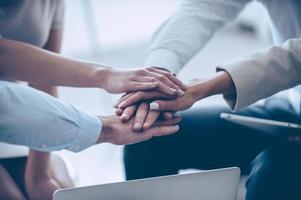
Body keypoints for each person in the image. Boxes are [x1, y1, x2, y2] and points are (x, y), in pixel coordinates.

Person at [0, 0, 184, 199]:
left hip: (17, 109)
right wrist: (105, 79)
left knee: (62, 189)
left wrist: (39, 174)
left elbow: (44, 82)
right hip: (7, 110)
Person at [120, 0, 301, 199]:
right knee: (148, 138)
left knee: (274, 174)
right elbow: (204, 6)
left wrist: (205, 87)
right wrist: (156, 79)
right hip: (294, 111)